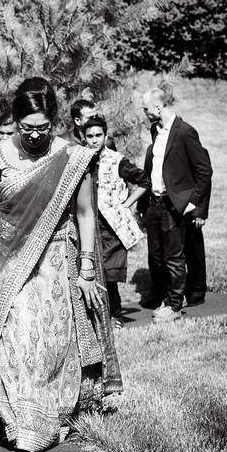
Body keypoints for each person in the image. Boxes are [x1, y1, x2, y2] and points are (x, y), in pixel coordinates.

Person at [0, 77, 122, 452]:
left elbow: (86, 213)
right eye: (27, 128)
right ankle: (17, 420)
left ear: (54, 122)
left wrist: (87, 269)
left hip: (56, 260)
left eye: (43, 127)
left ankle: (46, 418)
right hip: (11, 258)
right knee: (14, 336)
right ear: (16, 120)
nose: (36, 135)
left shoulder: (73, 158)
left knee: (50, 345)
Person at [137, 86, 212, 322]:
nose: (145, 113)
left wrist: (192, 203)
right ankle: (165, 298)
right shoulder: (155, 130)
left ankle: (175, 305)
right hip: (155, 203)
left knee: (174, 257)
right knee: (157, 256)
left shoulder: (185, 132)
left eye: (146, 109)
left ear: (158, 107)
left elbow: (204, 171)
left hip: (173, 205)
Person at [81, 116, 148, 327]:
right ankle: (92, 319)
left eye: (98, 136)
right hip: (89, 225)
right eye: (90, 136)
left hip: (112, 228)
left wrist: (126, 204)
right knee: (90, 273)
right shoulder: (81, 160)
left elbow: (144, 180)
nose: (94, 140)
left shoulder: (117, 160)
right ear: (84, 137)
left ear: (105, 136)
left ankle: (115, 316)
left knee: (109, 276)